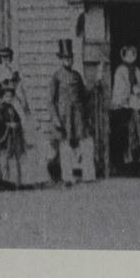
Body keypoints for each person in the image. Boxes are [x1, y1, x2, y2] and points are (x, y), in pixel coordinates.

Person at [49, 39, 90, 185]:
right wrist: (55, 119)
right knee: (65, 144)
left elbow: (84, 96)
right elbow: (51, 100)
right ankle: (66, 176)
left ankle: (80, 174)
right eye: (65, 58)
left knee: (79, 144)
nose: (68, 60)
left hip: (77, 114)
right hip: (63, 115)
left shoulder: (77, 76)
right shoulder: (56, 76)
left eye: (70, 58)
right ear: (61, 59)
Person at [109, 45, 140, 176]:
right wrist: (131, 91)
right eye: (128, 55)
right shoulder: (120, 71)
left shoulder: (137, 70)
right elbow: (119, 88)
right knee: (129, 134)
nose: (131, 57)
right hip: (126, 107)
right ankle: (128, 164)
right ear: (124, 56)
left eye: (133, 55)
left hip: (138, 105)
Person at [0, 81, 26, 186]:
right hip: (5, 138)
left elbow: (18, 120)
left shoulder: (12, 108)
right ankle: (4, 181)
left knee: (14, 160)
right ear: (2, 96)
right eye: (6, 96)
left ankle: (15, 181)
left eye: (10, 96)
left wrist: (17, 125)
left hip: (13, 138)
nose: (9, 97)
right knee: (4, 159)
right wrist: (8, 125)